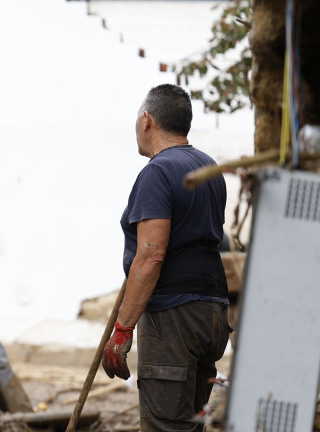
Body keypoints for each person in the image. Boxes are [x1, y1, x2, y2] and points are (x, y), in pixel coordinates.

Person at [103, 83, 230, 430]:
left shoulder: (157, 172)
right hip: (213, 312)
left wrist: (122, 328)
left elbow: (152, 254)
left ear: (147, 120)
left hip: (175, 317)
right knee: (190, 424)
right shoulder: (209, 167)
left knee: (166, 427)